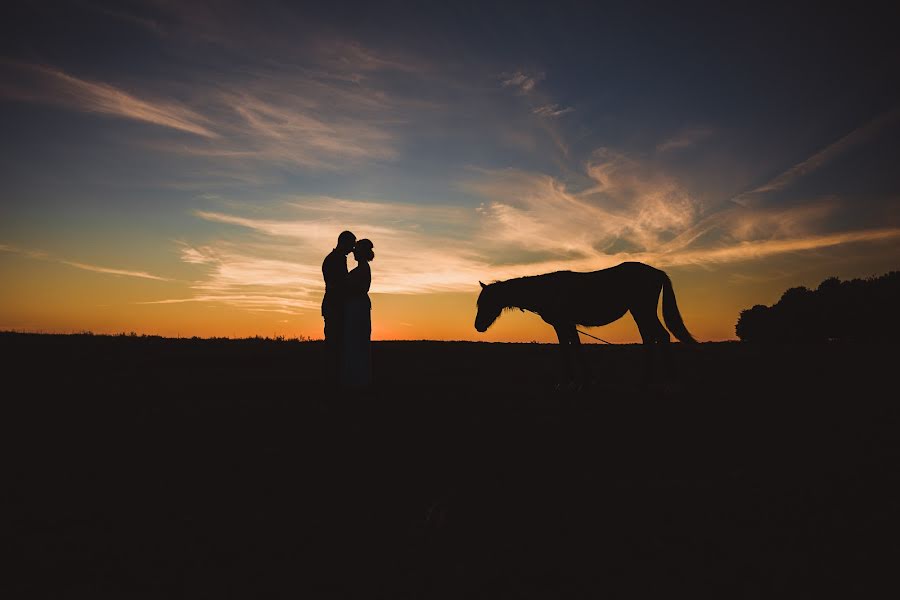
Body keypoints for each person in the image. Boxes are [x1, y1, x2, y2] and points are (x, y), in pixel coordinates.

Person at [322, 230, 356, 386]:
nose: (353, 248)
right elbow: (336, 284)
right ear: (344, 242)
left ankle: (336, 377)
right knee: (334, 343)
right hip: (334, 306)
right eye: (351, 244)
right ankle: (332, 379)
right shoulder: (333, 260)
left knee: (338, 343)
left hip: (337, 306)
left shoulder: (337, 258)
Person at [341, 238, 374, 388]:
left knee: (357, 342)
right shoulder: (363, 268)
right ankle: (357, 377)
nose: (353, 252)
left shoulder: (362, 269)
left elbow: (360, 288)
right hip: (356, 306)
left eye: (356, 250)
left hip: (357, 307)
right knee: (356, 342)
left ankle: (357, 379)